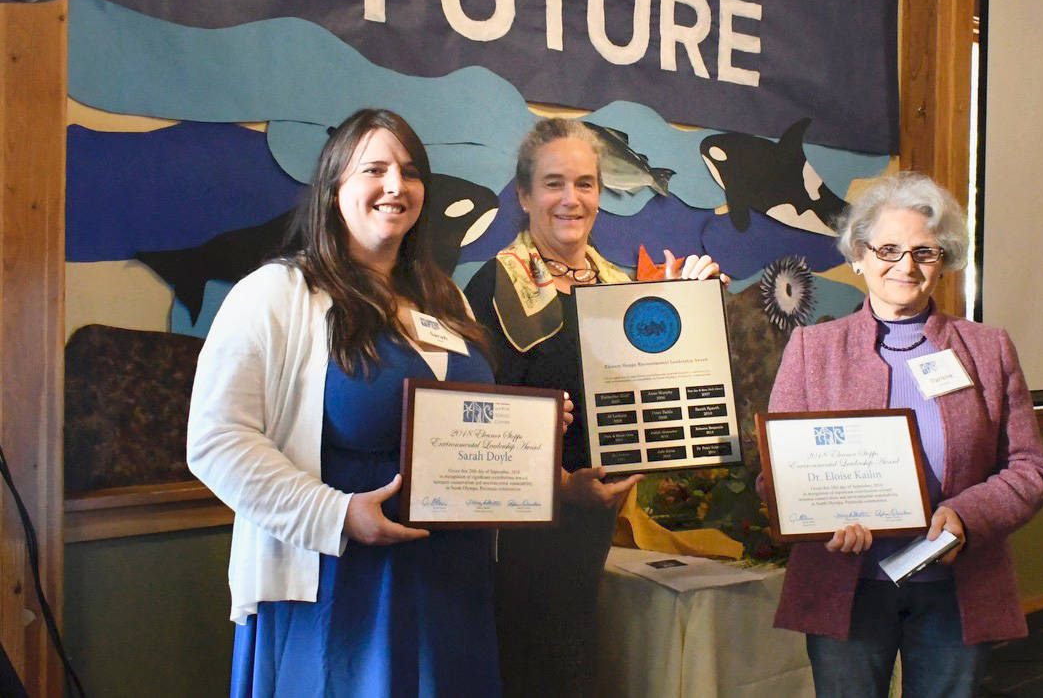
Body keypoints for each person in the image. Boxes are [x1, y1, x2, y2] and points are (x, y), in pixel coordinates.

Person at [188, 108, 504, 697]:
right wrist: (335, 515)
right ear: (335, 190)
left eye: (409, 173)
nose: (395, 186)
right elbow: (216, 441)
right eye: (374, 170)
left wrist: (524, 447)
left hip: (451, 583)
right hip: (340, 584)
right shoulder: (277, 293)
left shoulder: (446, 298)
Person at [763, 171, 1043, 697]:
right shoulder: (811, 348)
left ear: (943, 263)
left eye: (925, 252)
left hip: (955, 587)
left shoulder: (988, 349)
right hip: (846, 584)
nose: (905, 266)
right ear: (859, 254)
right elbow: (778, 473)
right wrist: (822, 519)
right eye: (889, 249)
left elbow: (1030, 467)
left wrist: (968, 515)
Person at [464, 116, 725, 696]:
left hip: (593, 520)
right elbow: (477, 427)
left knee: (574, 659)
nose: (571, 199)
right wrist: (561, 484)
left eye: (585, 184)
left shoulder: (619, 286)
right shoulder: (494, 284)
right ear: (525, 195)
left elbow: (656, 396)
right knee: (528, 668)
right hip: (517, 534)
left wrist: (694, 304)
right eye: (554, 183)